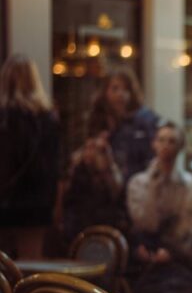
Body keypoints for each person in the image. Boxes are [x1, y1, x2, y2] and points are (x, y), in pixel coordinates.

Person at [127, 121, 192, 293]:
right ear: (154, 144)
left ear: (180, 147)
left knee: (174, 291)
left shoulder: (188, 183)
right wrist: (153, 186)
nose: (166, 145)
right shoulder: (138, 182)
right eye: (161, 140)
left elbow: (189, 225)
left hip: (177, 253)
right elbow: (144, 222)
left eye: (172, 141)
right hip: (145, 251)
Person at [0, 53, 60, 257]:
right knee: (30, 263)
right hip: (36, 204)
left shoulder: (4, 118)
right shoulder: (47, 119)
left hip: (5, 200)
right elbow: (53, 168)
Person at [87, 68, 158, 183]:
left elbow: (153, 157)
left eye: (126, 89)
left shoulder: (144, 119)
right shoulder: (99, 120)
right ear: (105, 92)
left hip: (137, 184)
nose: (120, 94)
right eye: (115, 88)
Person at [62, 131, 125, 243]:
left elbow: (116, 196)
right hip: (79, 228)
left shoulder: (110, 173)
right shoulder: (77, 173)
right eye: (87, 148)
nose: (91, 153)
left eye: (95, 149)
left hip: (106, 228)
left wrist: (106, 168)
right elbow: (70, 206)